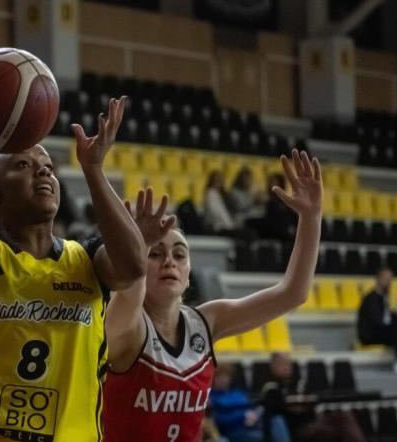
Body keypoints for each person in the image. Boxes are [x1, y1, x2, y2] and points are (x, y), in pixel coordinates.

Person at [0, 89, 146, 442]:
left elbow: (133, 267)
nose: (43, 173)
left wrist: (93, 169)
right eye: (23, 165)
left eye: (48, 167)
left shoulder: (87, 258)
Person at [103, 149, 323, 442]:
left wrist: (311, 217)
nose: (169, 261)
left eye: (179, 255)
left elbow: (293, 293)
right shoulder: (126, 324)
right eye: (156, 253)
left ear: (189, 271)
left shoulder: (206, 321)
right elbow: (129, 292)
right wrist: (138, 246)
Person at [264, 352, 365, 442]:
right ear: (273, 367)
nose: (287, 367)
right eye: (282, 363)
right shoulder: (271, 388)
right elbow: (274, 412)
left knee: (343, 415)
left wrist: (298, 406)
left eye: (288, 363)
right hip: (295, 428)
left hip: (313, 421)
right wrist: (295, 407)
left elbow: (313, 402)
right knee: (335, 431)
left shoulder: (299, 384)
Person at [210, 363, 291, 442]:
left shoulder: (238, 393)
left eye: (226, 377)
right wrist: (243, 417)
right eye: (219, 377)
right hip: (235, 429)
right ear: (214, 378)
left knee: (277, 420)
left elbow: (252, 407)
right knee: (261, 436)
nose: (223, 380)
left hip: (255, 423)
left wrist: (256, 414)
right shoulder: (212, 397)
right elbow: (218, 420)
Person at [357, 267, 397, 361]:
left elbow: (386, 316)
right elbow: (378, 321)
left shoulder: (383, 296)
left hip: (381, 330)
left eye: (390, 279)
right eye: (385, 278)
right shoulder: (371, 298)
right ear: (378, 278)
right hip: (371, 334)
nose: (388, 281)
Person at [260, 173, 297, 241]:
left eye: (275, 183)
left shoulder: (284, 200)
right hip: (275, 231)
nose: (272, 185)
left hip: (289, 228)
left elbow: (292, 215)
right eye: (271, 182)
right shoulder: (268, 201)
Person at [203, 170, 237, 235]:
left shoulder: (221, 195)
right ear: (211, 182)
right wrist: (228, 225)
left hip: (226, 226)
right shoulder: (210, 194)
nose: (218, 183)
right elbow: (215, 214)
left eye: (219, 181)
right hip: (219, 228)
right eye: (215, 181)